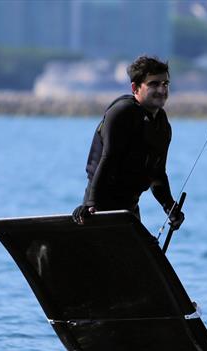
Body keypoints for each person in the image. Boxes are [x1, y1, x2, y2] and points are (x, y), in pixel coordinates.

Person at [72, 55, 185, 230]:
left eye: (165, 84)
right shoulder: (122, 112)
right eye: (154, 84)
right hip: (101, 204)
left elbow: (157, 174)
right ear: (135, 87)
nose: (162, 90)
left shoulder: (162, 125)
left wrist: (170, 207)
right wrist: (91, 204)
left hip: (130, 208)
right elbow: (108, 158)